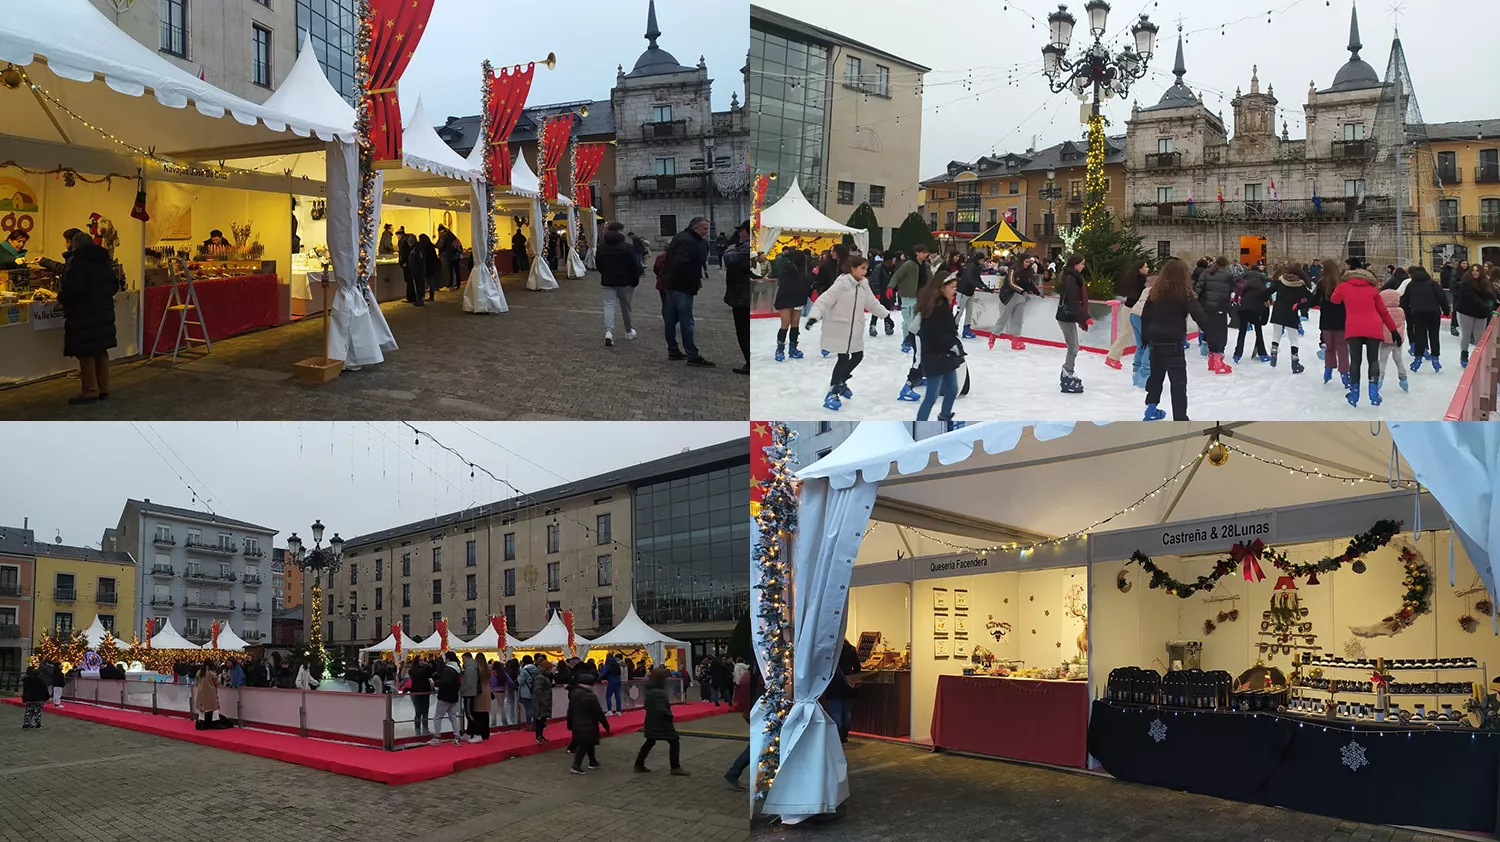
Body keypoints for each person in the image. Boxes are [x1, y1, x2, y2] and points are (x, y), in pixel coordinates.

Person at [807, 255, 889, 411]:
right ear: (852, 268)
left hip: (855, 330)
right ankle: (833, 391)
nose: (865, 271)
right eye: (862, 268)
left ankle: (841, 380)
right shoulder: (842, 284)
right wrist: (814, 316)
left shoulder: (864, 284)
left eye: (866, 268)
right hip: (839, 328)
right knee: (843, 359)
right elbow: (824, 300)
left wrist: (886, 315)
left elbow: (872, 303)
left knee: (858, 355)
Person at [1140, 257, 1209, 421]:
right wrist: (1211, 333)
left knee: (1156, 376)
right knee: (1178, 381)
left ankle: (1151, 407)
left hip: (1155, 341)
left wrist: (1145, 337)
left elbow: (1145, 316)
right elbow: (1199, 315)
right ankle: (1180, 418)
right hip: (1173, 342)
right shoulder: (1184, 293)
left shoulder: (1155, 291)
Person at [57, 231, 119, 406]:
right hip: (103, 312)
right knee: (101, 350)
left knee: (86, 353)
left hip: (83, 313)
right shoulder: (103, 261)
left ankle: (90, 391)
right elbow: (115, 285)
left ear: (75, 245)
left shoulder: (79, 263)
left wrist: (61, 297)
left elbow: (73, 290)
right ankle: (103, 388)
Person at [1331, 266, 1401, 407]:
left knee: (1356, 361)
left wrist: (1340, 287)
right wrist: (1394, 331)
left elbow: (1334, 300)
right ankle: (1373, 392)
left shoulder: (1344, 286)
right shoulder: (1373, 289)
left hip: (1354, 327)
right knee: (1373, 360)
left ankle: (1354, 394)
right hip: (1373, 327)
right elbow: (1383, 312)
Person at [662, 217, 714, 366]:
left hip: (671, 283)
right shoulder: (695, 242)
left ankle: (673, 350)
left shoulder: (679, 236)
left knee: (670, 319)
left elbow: (671, 259)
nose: (707, 232)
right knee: (687, 321)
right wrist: (693, 280)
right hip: (682, 286)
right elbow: (693, 261)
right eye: (704, 228)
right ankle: (692, 354)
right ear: (695, 228)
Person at [916, 271, 964, 422]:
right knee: (931, 396)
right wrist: (951, 344)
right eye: (952, 287)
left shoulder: (942, 304)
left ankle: (944, 416)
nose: (954, 290)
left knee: (952, 389)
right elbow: (930, 333)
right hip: (934, 356)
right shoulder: (936, 306)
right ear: (941, 287)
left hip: (945, 355)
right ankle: (921, 422)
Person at [635, 667, 689, 775]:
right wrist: (669, 715)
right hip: (661, 722)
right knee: (674, 741)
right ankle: (675, 767)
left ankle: (639, 763)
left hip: (651, 721)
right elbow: (661, 709)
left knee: (650, 741)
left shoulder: (650, 690)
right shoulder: (658, 692)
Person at [595, 221, 641, 348]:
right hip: (625, 282)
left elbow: (598, 264)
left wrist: (604, 273)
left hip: (608, 281)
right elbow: (634, 266)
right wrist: (635, 280)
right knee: (626, 307)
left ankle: (609, 332)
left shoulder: (601, 247)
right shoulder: (627, 247)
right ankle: (628, 331)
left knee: (609, 307)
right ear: (620, 231)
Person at [1055, 254, 1092, 394]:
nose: (1083, 266)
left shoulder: (1072, 277)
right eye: (1082, 264)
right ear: (1075, 264)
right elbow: (1072, 301)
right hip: (1065, 316)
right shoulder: (1071, 278)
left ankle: (1068, 371)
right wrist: (1085, 317)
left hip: (1067, 316)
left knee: (1074, 346)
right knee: (1073, 347)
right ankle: (1067, 372)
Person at [723, 659, 762, 791]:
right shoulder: (757, 678)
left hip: (752, 714)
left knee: (756, 746)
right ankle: (733, 773)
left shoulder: (749, 676)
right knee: (756, 746)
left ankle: (734, 773)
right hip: (758, 715)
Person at [1104, 260, 1150, 372]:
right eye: (1145, 267)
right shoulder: (1140, 281)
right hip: (1131, 310)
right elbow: (1138, 298)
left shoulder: (1134, 280)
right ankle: (1112, 357)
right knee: (1126, 334)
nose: (1148, 268)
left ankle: (1114, 357)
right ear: (1140, 269)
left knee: (1127, 334)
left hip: (1130, 309)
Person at [1193, 256, 1235, 374]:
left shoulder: (1206, 273)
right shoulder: (1228, 275)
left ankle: (1211, 360)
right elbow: (1232, 289)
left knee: (1210, 333)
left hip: (1206, 308)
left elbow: (1198, 289)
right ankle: (1218, 361)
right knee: (1220, 335)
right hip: (1220, 308)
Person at [1265, 265, 1312, 374]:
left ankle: (1273, 353)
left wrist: (1263, 299)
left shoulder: (1280, 281)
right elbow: (1312, 298)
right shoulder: (1300, 285)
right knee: (1293, 338)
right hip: (1292, 311)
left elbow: (1267, 292)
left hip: (1278, 310)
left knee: (1276, 335)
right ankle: (1295, 363)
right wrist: (1300, 306)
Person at [1403, 266, 1449, 372]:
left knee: (1420, 335)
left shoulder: (1411, 284)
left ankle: (1418, 359)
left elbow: (1405, 299)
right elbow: (1441, 296)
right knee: (1434, 335)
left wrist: (1405, 311)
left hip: (1417, 313)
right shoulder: (1433, 283)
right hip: (1433, 312)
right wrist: (1445, 310)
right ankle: (1435, 358)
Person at [1454, 263, 1498, 368]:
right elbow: (1473, 298)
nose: (1475, 272)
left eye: (1477, 271)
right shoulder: (1466, 283)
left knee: (1479, 336)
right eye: (1473, 270)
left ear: (1481, 272)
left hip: (1480, 313)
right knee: (1467, 335)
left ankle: (1478, 356)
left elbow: (1492, 294)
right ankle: (1464, 355)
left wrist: (1493, 302)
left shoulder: (1485, 283)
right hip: (1466, 311)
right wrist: (1489, 309)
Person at [723, 221, 753, 375]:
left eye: (741, 231)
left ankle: (750, 362)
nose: (739, 234)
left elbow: (731, 259)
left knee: (743, 331)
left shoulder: (746, 247)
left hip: (742, 295)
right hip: (743, 294)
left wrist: (729, 250)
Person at [1314, 259, 1350, 385]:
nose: (1321, 270)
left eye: (1323, 268)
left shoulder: (1321, 283)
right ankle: (1345, 374)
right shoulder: (1343, 283)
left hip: (1327, 321)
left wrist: (1299, 305)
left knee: (1329, 348)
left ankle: (1328, 370)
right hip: (1342, 320)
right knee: (1342, 348)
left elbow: (1315, 300)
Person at [773, 249, 812, 361]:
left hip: (798, 299)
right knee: (785, 323)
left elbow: (805, 284)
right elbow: (786, 284)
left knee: (795, 324)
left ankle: (793, 348)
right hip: (785, 299)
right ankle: (780, 349)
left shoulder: (802, 271)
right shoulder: (786, 268)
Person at [567, 672, 610, 774]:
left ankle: (593, 761)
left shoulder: (574, 693)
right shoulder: (590, 696)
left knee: (588, 742)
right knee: (584, 745)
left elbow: (570, 710)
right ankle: (576, 765)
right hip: (588, 723)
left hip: (577, 723)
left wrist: (570, 723)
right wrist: (605, 724)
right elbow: (598, 712)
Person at [895, 244, 932, 354]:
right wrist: (890, 287)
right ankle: (907, 339)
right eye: (923, 252)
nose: (926, 255)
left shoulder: (926, 266)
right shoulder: (909, 265)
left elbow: (931, 279)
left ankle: (916, 339)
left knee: (919, 319)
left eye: (926, 252)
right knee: (908, 320)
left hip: (922, 296)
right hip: (909, 296)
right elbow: (897, 276)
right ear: (917, 253)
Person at [1232, 266, 1273, 364]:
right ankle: (1262, 354)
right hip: (1255, 311)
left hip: (1243, 311)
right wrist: (1264, 319)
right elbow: (1267, 304)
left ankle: (1237, 354)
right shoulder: (1263, 289)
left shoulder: (1246, 289)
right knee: (1258, 332)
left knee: (1242, 333)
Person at [825, 639, 862, 743]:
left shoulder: (831, 650)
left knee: (836, 712)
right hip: (849, 686)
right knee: (847, 711)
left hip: (834, 685)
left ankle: (837, 735)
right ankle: (845, 734)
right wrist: (851, 675)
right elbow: (858, 667)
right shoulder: (851, 649)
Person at [1378, 277, 1411, 393]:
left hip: (1385, 340)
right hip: (1398, 340)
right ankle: (1403, 379)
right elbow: (1402, 323)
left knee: (1382, 361)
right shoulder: (1401, 311)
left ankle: (1379, 380)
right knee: (1398, 360)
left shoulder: (1382, 311)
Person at [432, 652, 464, 745]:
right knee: (453, 717)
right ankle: (457, 736)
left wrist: (436, 683)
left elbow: (446, 682)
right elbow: (451, 680)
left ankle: (437, 737)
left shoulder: (448, 669)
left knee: (438, 717)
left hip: (445, 696)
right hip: (453, 696)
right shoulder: (456, 669)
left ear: (448, 658)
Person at [195, 661, 228, 730]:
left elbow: (197, 682)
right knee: (215, 707)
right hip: (211, 693)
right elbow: (217, 683)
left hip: (201, 693)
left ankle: (201, 723)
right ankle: (216, 722)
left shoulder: (199, 672)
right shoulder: (212, 673)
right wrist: (220, 678)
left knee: (202, 708)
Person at [530, 655, 555, 743]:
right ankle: (538, 736)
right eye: (550, 668)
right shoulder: (540, 677)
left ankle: (540, 735)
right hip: (540, 703)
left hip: (543, 702)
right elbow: (538, 690)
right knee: (540, 720)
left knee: (542, 720)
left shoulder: (544, 676)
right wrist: (543, 700)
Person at [408, 657, 432, 736]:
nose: (422, 662)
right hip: (416, 693)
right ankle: (417, 730)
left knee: (425, 711)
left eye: (423, 660)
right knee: (418, 712)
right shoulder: (412, 671)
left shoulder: (425, 670)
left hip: (425, 692)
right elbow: (418, 677)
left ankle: (425, 728)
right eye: (420, 660)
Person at [469, 655, 492, 742]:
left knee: (478, 714)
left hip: (479, 692)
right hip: (487, 691)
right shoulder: (488, 669)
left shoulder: (477, 669)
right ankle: (485, 733)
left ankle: (478, 733)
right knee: (485, 714)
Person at [459, 651, 480, 742]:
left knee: (470, 714)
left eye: (463, 658)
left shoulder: (470, 668)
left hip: (469, 693)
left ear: (467, 658)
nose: (462, 661)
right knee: (469, 713)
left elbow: (469, 682)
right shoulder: (471, 667)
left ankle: (477, 733)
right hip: (469, 693)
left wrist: (463, 689)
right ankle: (469, 733)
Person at [21, 665, 48, 730]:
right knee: (37, 712)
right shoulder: (41, 682)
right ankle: (37, 724)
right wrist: (46, 697)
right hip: (38, 699)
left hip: (29, 698)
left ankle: (26, 724)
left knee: (28, 711)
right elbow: (44, 690)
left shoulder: (27, 681)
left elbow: (25, 690)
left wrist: (24, 697)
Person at [436, 224, 461, 290]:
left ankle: (447, 285)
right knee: (452, 271)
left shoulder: (444, 236)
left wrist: (433, 245)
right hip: (453, 255)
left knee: (446, 270)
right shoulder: (450, 234)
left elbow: (439, 245)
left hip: (445, 256)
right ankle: (453, 284)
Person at [417, 234, 440, 302]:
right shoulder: (431, 246)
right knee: (431, 282)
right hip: (432, 266)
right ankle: (431, 296)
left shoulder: (422, 247)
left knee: (424, 282)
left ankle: (422, 296)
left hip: (425, 266)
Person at [518, 654, 539, 723]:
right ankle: (536, 724)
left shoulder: (524, 670)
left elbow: (521, 682)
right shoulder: (536, 669)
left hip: (526, 692)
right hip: (535, 691)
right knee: (535, 709)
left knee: (528, 709)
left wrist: (518, 677)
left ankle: (529, 725)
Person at [398, 229, 417, 302]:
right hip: (409, 263)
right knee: (410, 280)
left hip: (406, 264)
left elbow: (403, 253)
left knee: (408, 280)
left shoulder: (403, 242)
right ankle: (412, 296)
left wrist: (402, 262)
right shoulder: (406, 241)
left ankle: (410, 297)